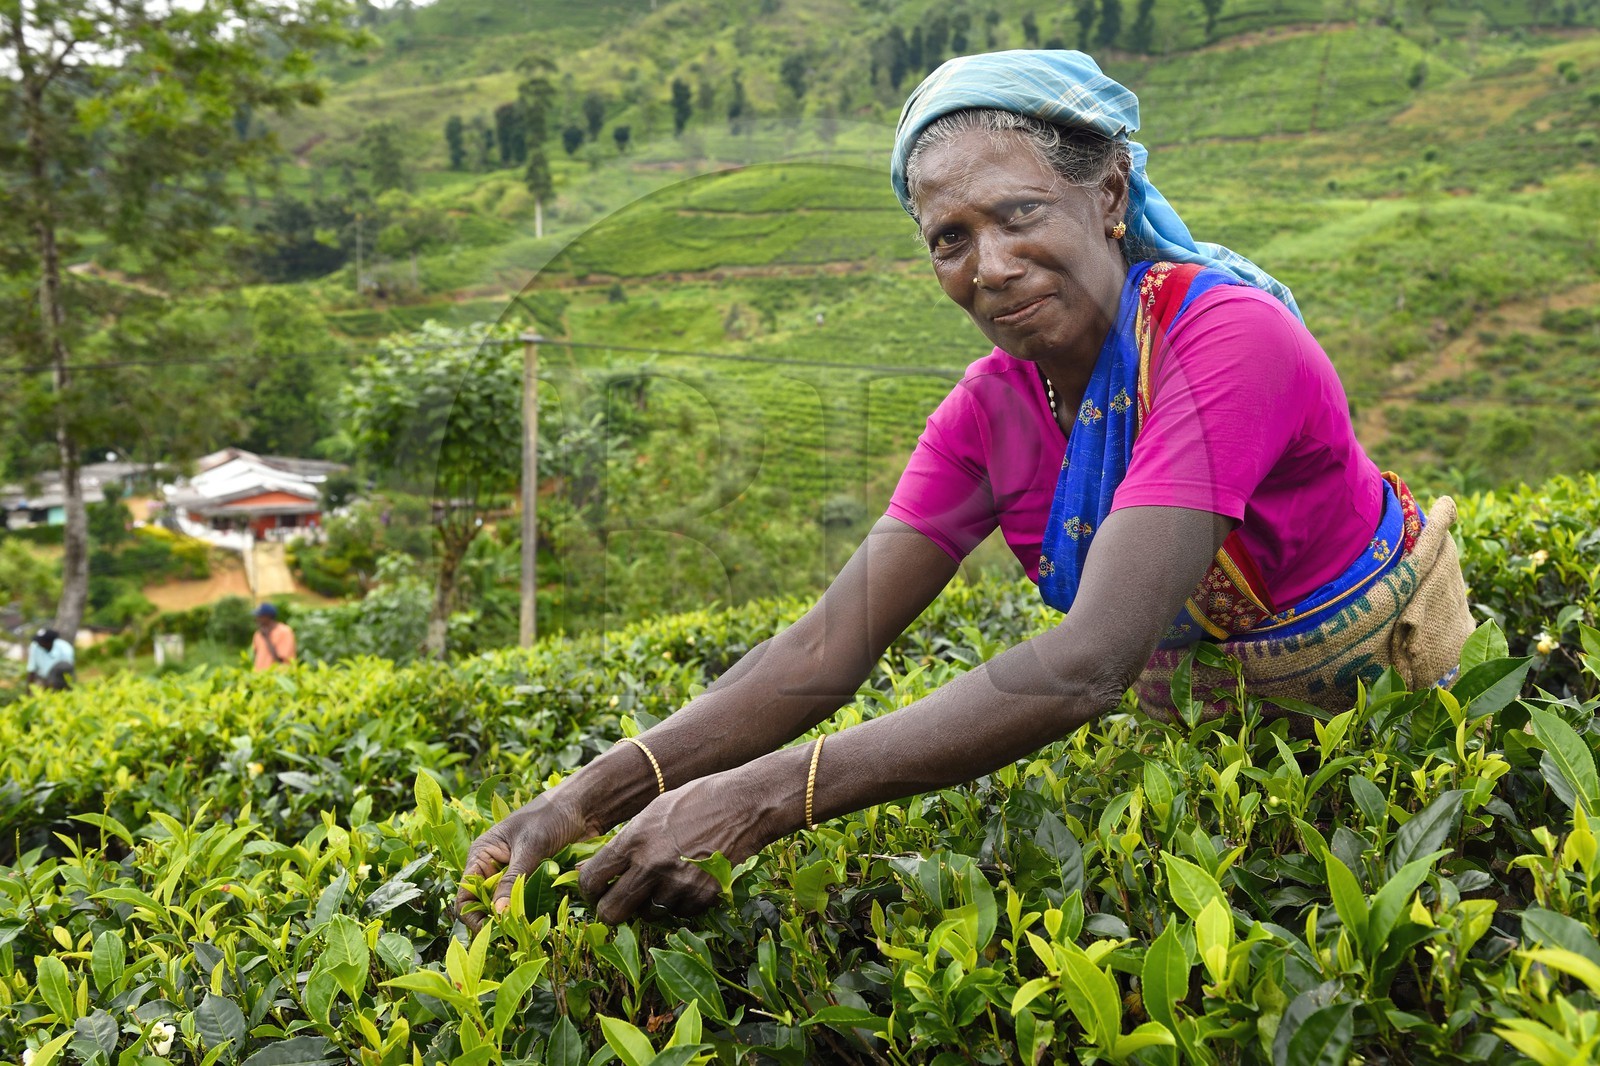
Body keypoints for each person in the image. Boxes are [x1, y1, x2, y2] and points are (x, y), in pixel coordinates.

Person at [458, 51, 1474, 928]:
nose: (989, 265)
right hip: (1213, 758)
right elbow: (822, 652)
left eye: (1019, 213)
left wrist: (765, 798)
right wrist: (579, 801)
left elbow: (1091, 660)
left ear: (1108, 196)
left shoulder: (1226, 339)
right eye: (950, 238)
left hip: (1394, 741)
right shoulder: (991, 410)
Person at [252, 602, 295, 671]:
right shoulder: (258, 634)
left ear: (267, 617)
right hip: (260, 676)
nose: (257, 619)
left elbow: (280, 661)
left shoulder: (284, 632)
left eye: (259, 616)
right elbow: (256, 655)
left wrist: (267, 638)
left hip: (277, 676)